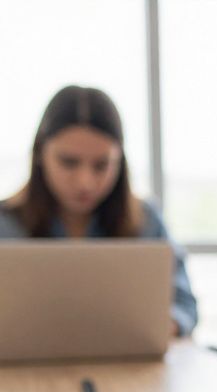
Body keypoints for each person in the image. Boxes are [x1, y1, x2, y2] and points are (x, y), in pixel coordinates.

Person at [0, 85, 199, 336]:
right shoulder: (4, 224)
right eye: (69, 162)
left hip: (130, 371)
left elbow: (183, 305)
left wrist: (155, 329)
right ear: (40, 153)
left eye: (101, 165)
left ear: (120, 161)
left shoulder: (147, 221)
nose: (85, 182)